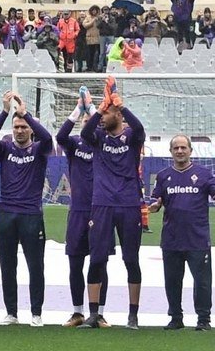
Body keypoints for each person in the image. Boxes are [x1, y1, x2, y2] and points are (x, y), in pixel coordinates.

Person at [79, 86, 147, 327]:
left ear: (117, 114)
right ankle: (94, 314)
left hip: (128, 204)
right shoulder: (98, 138)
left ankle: (133, 315)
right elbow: (85, 132)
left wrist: (122, 106)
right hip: (102, 204)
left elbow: (139, 129)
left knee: (131, 259)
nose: (101, 117)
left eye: (106, 113)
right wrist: (99, 109)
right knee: (97, 258)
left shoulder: (131, 138)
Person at [0, 92, 52, 326]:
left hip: (31, 215)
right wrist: (6, 111)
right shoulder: (5, 149)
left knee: (35, 266)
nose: (20, 130)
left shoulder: (39, 150)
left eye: (24, 127)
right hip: (6, 214)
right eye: (16, 127)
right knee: (7, 265)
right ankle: (11, 313)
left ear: (31, 130)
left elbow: (48, 138)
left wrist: (26, 114)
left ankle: (36, 313)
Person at [147, 133, 213, 330]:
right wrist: (155, 205)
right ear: (171, 151)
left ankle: (203, 320)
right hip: (172, 239)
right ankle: (176, 318)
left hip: (197, 239)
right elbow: (156, 199)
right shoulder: (163, 176)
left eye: (183, 147)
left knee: (202, 282)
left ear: (190, 151)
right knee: (172, 281)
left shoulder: (204, 174)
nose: (180, 151)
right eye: (176, 148)